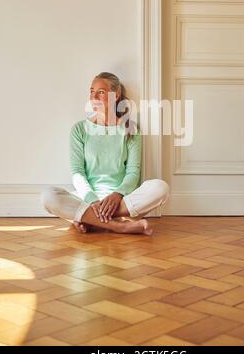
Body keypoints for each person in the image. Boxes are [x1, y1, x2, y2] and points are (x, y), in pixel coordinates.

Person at [40, 72, 170, 236]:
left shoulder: (131, 129)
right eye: (91, 91)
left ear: (115, 95)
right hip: (87, 199)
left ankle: (89, 218)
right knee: (47, 196)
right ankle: (119, 226)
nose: (94, 96)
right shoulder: (79, 129)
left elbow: (133, 172)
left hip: (121, 201)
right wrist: (92, 200)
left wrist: (117, 195)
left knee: (161, 187)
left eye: (100, 92)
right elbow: (77, 173)